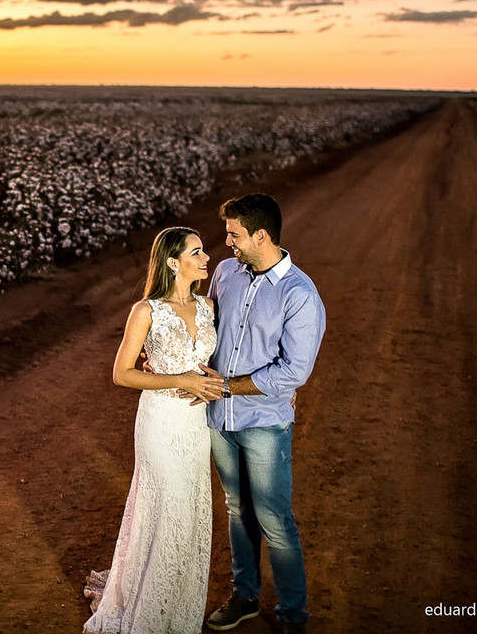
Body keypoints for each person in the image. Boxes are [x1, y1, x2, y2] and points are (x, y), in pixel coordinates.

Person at [84, 226, 224, 633]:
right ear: (172, 262)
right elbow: (121, 373)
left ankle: (176, 609)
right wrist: (180, 379)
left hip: (195, 426)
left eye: (204, 251)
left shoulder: (209, 306)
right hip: (160, 423)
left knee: (188, 512)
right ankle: (147, 616)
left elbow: (219, 360)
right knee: (167, 509)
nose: (206, 258)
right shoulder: (146, 311)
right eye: (196, 252)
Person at [198, 194, 326, 634]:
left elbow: (294, 370)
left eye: (234, 234)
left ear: (261, 236)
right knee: (237, 509)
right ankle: (246, 596)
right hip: (220, 419)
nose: (227, 242)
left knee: (274, 518)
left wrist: (229, 386)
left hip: (265, 423)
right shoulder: (225, 272)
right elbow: (206, 329)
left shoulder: (300, 294)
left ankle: (293, 615)